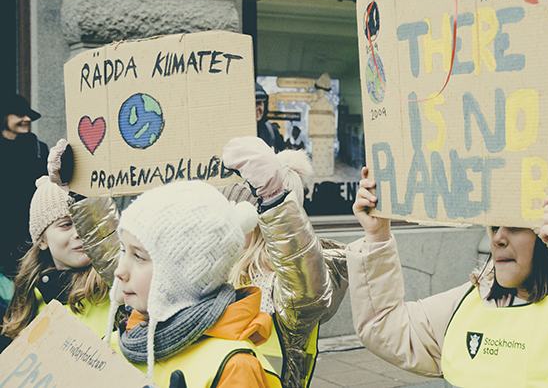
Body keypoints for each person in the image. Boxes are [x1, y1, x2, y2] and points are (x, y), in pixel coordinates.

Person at [346, 149, 548, 387]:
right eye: (494, 226)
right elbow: (384, 326)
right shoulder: (468, 302)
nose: (497, 238)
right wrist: (377, 236)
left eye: (515, 226)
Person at [107, 180, 281, 387]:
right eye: (123, 251)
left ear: (184, 275)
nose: (119, 271)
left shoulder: (235, 366)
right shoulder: (123, 341)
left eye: (138, 256)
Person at [221, 136, 348, 388]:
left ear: (260, 226)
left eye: (235, 216)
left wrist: (274, 201)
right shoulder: (219, 270)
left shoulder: (280, 286)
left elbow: (303, 279)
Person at [1, 177, 110, 344]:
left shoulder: (118, 285)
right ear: (42, 241)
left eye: (87, 221)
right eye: (66, 224)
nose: (79, 232)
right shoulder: (29, 300)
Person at [0, 94, 48, 278]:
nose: (27, 119)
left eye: (28, 116)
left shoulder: (38, 148)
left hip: (26, 232)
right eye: (20, 115)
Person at [256, 82, 285, 153]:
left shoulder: (271, 132)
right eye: (254, 104)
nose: (257, 108)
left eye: (259, 103)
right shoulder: (239, 132)